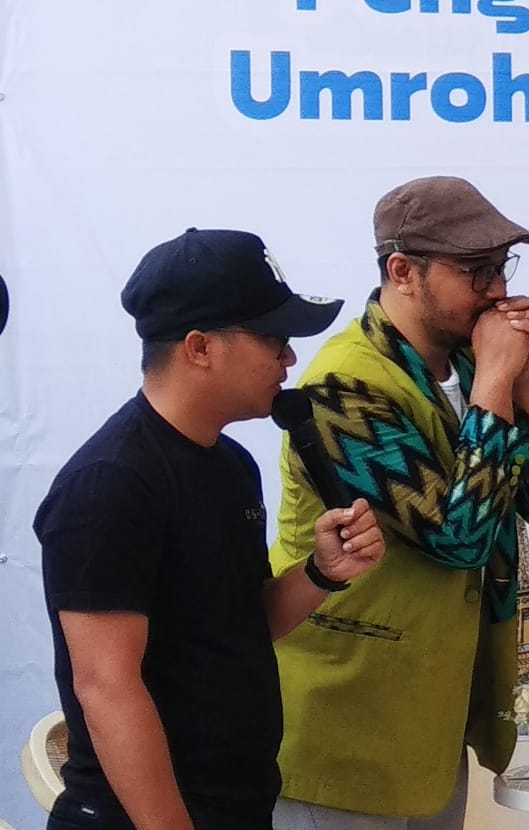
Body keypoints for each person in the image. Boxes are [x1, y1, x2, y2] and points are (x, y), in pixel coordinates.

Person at [35, 228, 385, 830]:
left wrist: (322, 573)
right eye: (274, 338)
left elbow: (241, 625)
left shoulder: (231, 465)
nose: (289, 359)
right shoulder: (110, 483)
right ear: (199, 347)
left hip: (237, 806)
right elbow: (106, 686)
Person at [269, 176, 529, 828]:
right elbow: (459, 537)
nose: (497, 291)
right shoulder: (343, 385)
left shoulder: (471, 365)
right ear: (403, 272)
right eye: (475, 271)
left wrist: (525, 386)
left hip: (435, 720)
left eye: (501, 267)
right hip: (343, 721)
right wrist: (496, 381)